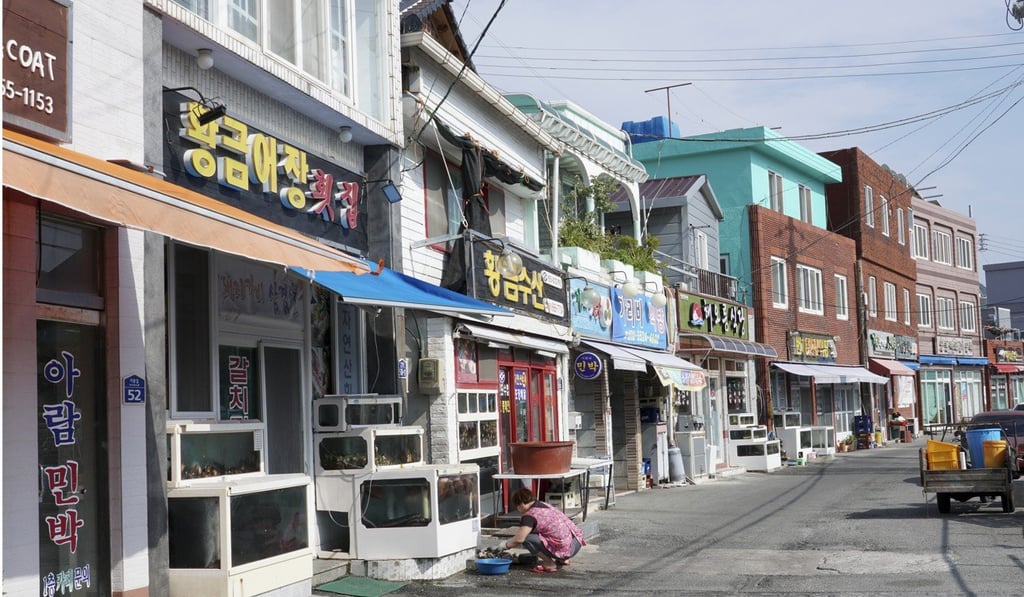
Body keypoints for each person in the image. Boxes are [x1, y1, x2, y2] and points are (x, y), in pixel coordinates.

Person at [497, 487, 586, 573]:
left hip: (565, 550)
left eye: (516, 507)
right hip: (575, 543)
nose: (518, 510)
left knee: (528, 538)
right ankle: (563, 559)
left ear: (521, 504)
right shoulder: (544, 505)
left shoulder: (529, 515)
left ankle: (549, 563)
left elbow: (519, 539)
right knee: (550, 533)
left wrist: (503, 546)